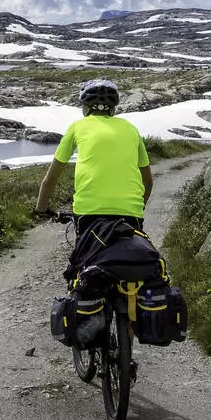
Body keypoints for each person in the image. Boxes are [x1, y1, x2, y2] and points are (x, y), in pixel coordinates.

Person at [34, 79, 154, 282]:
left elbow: (49, 180)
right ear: (113, 108)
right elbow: (148, 182)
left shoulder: (77, 127)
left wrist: (41, 210)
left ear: (85, 107)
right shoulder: (131, 129)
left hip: (89, 213)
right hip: (130, 213)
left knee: (86, 265)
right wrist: (136, 206)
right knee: (133, 263)